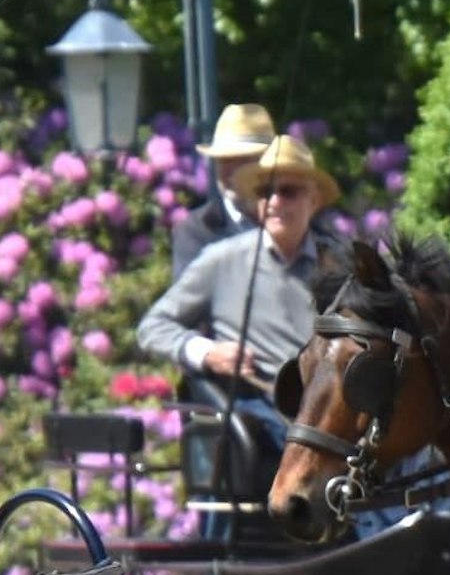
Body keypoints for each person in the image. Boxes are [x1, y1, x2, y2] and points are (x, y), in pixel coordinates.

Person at [137, 134, 339, 456]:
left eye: (287, 191)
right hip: (261, 414)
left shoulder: (340, 264)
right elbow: (153, 327)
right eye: (265, 192)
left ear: (313, 200)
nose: (274, 202)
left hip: (332, 417)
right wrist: (207, 352)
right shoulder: (222, 259)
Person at [171, 103, 276, 279]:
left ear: (269, 164)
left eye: (244, 159)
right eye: (225, 160)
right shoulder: (196, 230)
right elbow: (190, 302)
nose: (233, 171)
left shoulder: (294, 219)